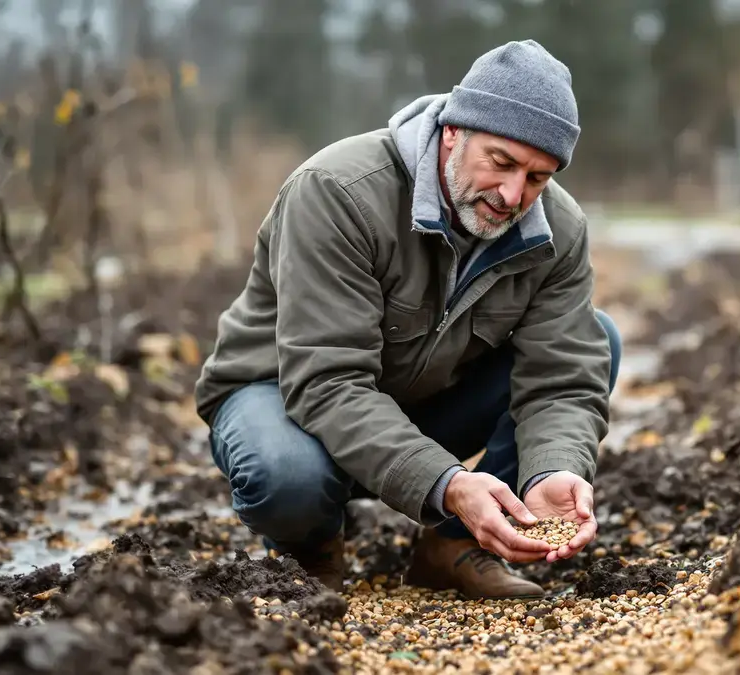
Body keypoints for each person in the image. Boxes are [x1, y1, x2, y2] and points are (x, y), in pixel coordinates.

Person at [194, 39, 622, 600]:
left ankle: (452, 547)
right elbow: (327, 383)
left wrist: (552, 471)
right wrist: (448, 483)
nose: (515, 194)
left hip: (419, 403)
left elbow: (562, 378)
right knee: (287, 476)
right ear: (453, 133)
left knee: (600, 338)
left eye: (538, 177)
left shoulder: (557, 231)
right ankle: (309, 551)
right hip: (286, 396)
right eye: (502, 162)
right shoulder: (338, 193)